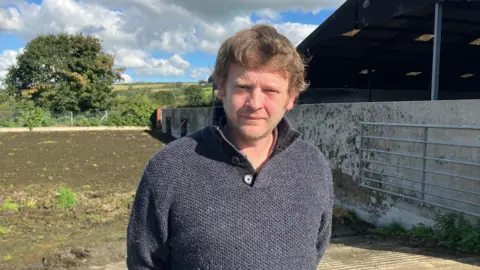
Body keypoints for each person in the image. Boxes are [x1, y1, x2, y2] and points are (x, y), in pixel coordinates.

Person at [126, 24, 334, 269]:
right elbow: (144, 263)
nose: (255, 103)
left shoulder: (312, 165)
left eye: (270, 90)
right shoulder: (168, 169)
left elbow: (315, 250)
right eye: (244, 87)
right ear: (222, 87)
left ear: (291, 97)